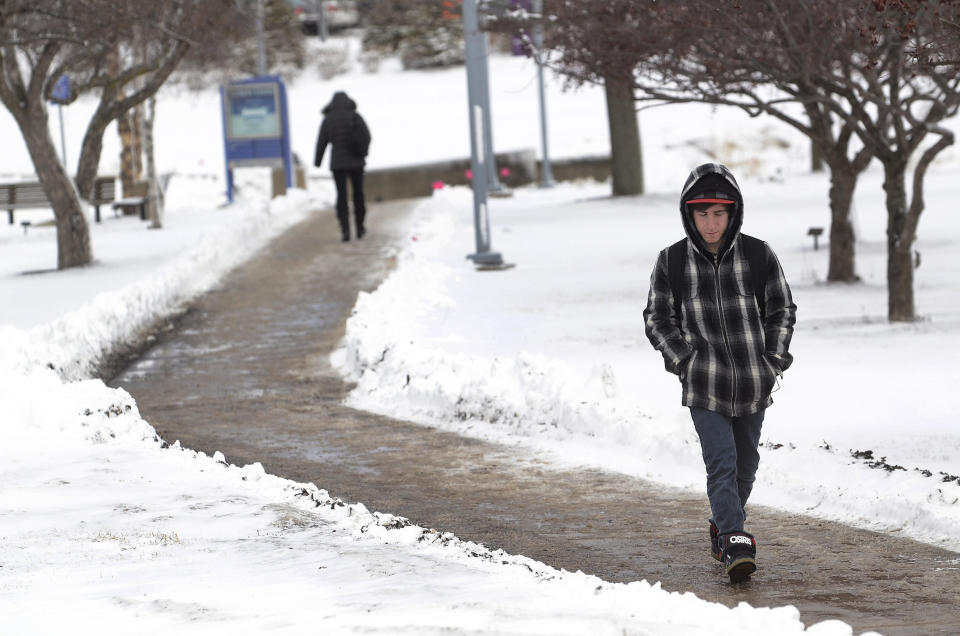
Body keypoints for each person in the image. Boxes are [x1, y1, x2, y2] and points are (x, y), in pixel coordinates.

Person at [642, 163, 796, 583]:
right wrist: (683, 361)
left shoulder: (758, 255)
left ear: (733, 213)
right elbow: (658, 318)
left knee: (746, 464)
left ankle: (721, 523)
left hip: (752, 381)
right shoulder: (671, 261)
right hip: (704, 384)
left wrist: (773, 360)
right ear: (689, 215)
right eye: (702, 214)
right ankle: (734, 538)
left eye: (719, 214)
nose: (711, 224)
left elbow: (781, 309)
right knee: (722, 463)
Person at [314, 91, 371, 242]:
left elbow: (321, 141)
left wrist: (318, 161)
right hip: (356, 162)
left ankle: (345, 230)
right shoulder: (354, 116)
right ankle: (360, 227)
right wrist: (364, 152)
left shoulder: (328, 119)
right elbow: (367, 135)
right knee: (358, 193)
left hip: (338, 164)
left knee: (341, 196)